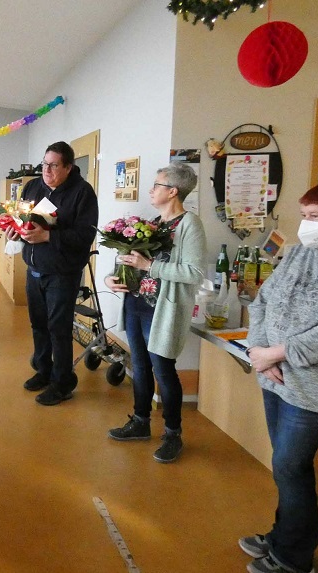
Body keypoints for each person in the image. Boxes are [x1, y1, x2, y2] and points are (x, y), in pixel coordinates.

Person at [239, 181, 318, 573]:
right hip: (275, 378)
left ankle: (293, 558)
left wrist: (275, 353)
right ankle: (282, 536)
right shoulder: (298, 254)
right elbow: (263, 303)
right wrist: (260, 353)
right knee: (286, 466)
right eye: (303, 215)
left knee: (290, 466)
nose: (306, 225)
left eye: (315, 217)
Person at [105, 163, 206, 463]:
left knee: (164, 371)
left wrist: (150, 267)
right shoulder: (153, 223)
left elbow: (195, 272)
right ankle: (140, 422)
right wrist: (113, 277)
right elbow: (132, 260)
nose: (151, 189)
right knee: (139, 365)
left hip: (162, 310)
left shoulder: (190, 225)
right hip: (137, 305)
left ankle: (173, 433)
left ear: (173, 191)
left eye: (157, 184)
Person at [5, 141, 98, 406]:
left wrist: (48, 235)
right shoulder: (33, 186)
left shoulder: (82, 193)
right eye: (44, 164)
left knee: (59, 329)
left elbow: (85, 235)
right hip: (34, 268)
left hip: (62, 272)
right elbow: (20, 220)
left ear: (68, 167)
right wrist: (14, 230)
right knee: (38, 325)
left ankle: (62, 383)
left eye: (54, 165)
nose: (46, 170)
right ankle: (44, 372)